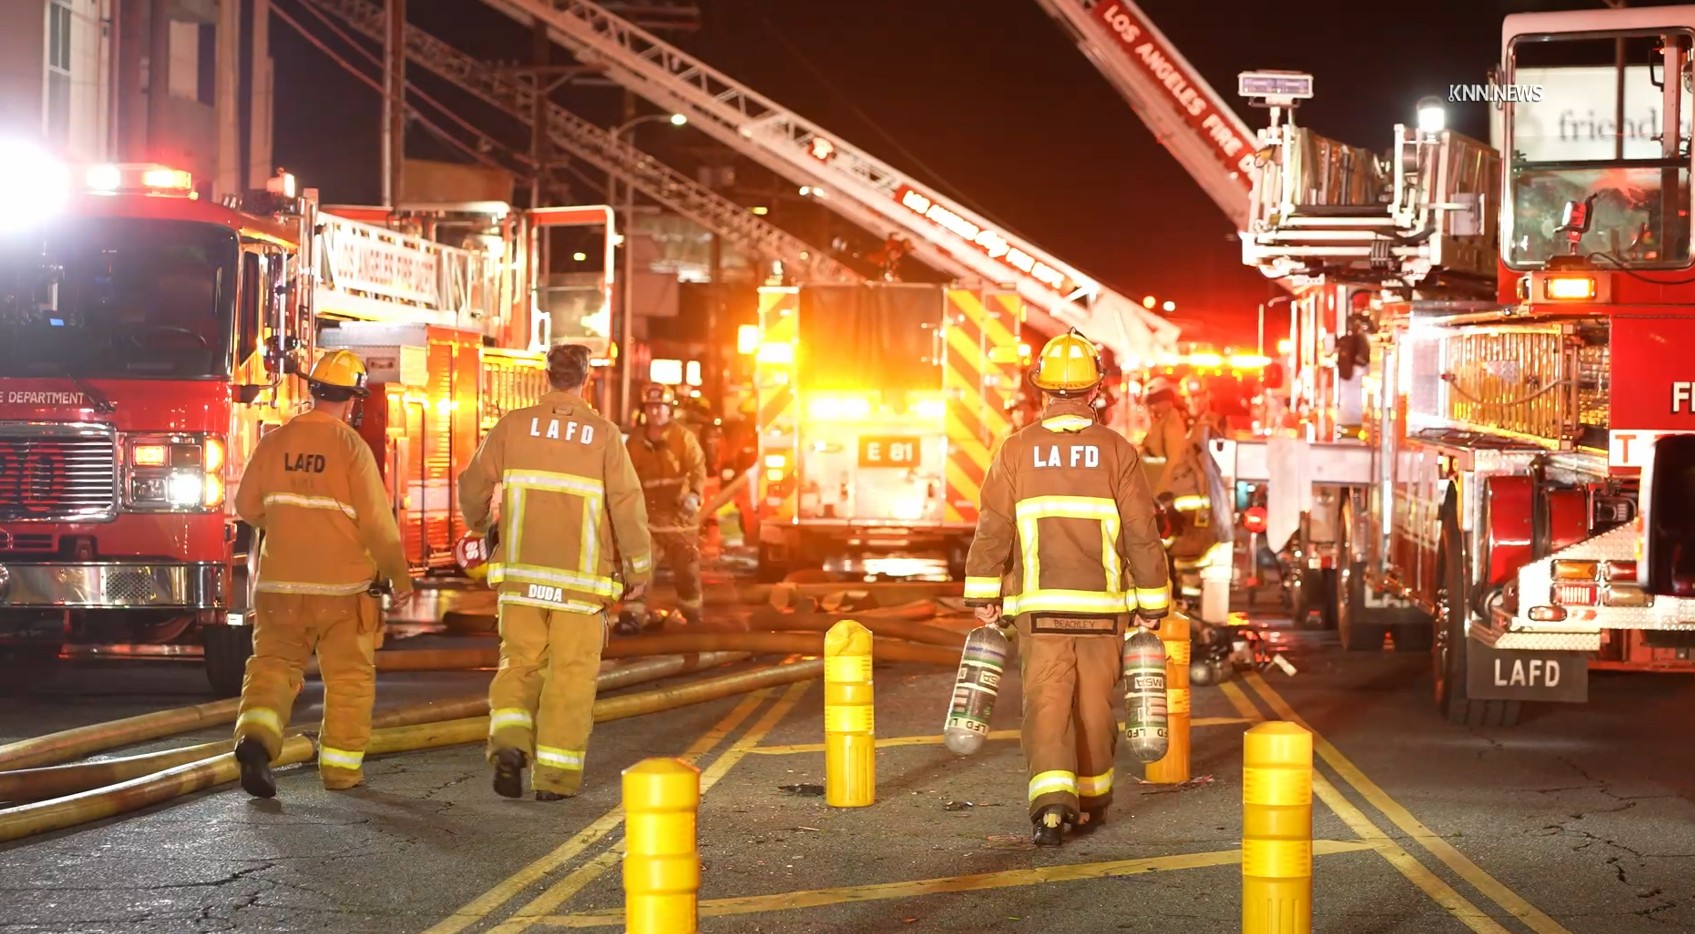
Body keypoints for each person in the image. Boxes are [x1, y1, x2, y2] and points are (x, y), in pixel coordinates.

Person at [960, 328, 1172, 847]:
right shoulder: (1117, 451)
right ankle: (1093, 801)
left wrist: (984, 596)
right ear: (1096, 389)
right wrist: (1152, 603)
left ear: (1040, 387)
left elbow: (993, 528)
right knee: (1095, 707)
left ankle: (1051, 808)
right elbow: (1142, 532)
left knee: (1047, 704)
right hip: (1103, 611)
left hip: (1040, 611)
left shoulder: (1016, 450)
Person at [457, 344, 653, 800]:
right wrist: (638, 567)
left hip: (521, 580)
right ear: (587, 378)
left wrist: (480, 525)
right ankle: (555, 779)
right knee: (570, 677)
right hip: (579, 588)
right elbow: (627, 505)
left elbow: (472, 485)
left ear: (546, 376)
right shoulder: (604, 435)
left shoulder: (512, 426)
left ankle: (509, 744)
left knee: (518, 665)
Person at [231, 349, 413, 798]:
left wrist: (289, 527)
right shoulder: (351, 448)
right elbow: (377, 525)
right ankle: (340, 771)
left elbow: (246, 507)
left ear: (313, 390)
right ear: (353, 399)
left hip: (278, 586)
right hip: (342, 590)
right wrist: (399, 577)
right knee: (348, 680)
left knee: (273, 667)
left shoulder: (273, 441)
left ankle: (255, 740)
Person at [620, 384, 707, 632]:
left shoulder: (683, 438)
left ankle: (693, 618)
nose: (655, 411)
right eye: (651, 407)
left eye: (660, 407)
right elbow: (625, 474)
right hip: (647, 520)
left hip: (679, 520)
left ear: (670, 410)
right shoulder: (635, 441)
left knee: (687, 574)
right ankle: (632, 615)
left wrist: (694, 494)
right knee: (639, 568)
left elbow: (698, 467)